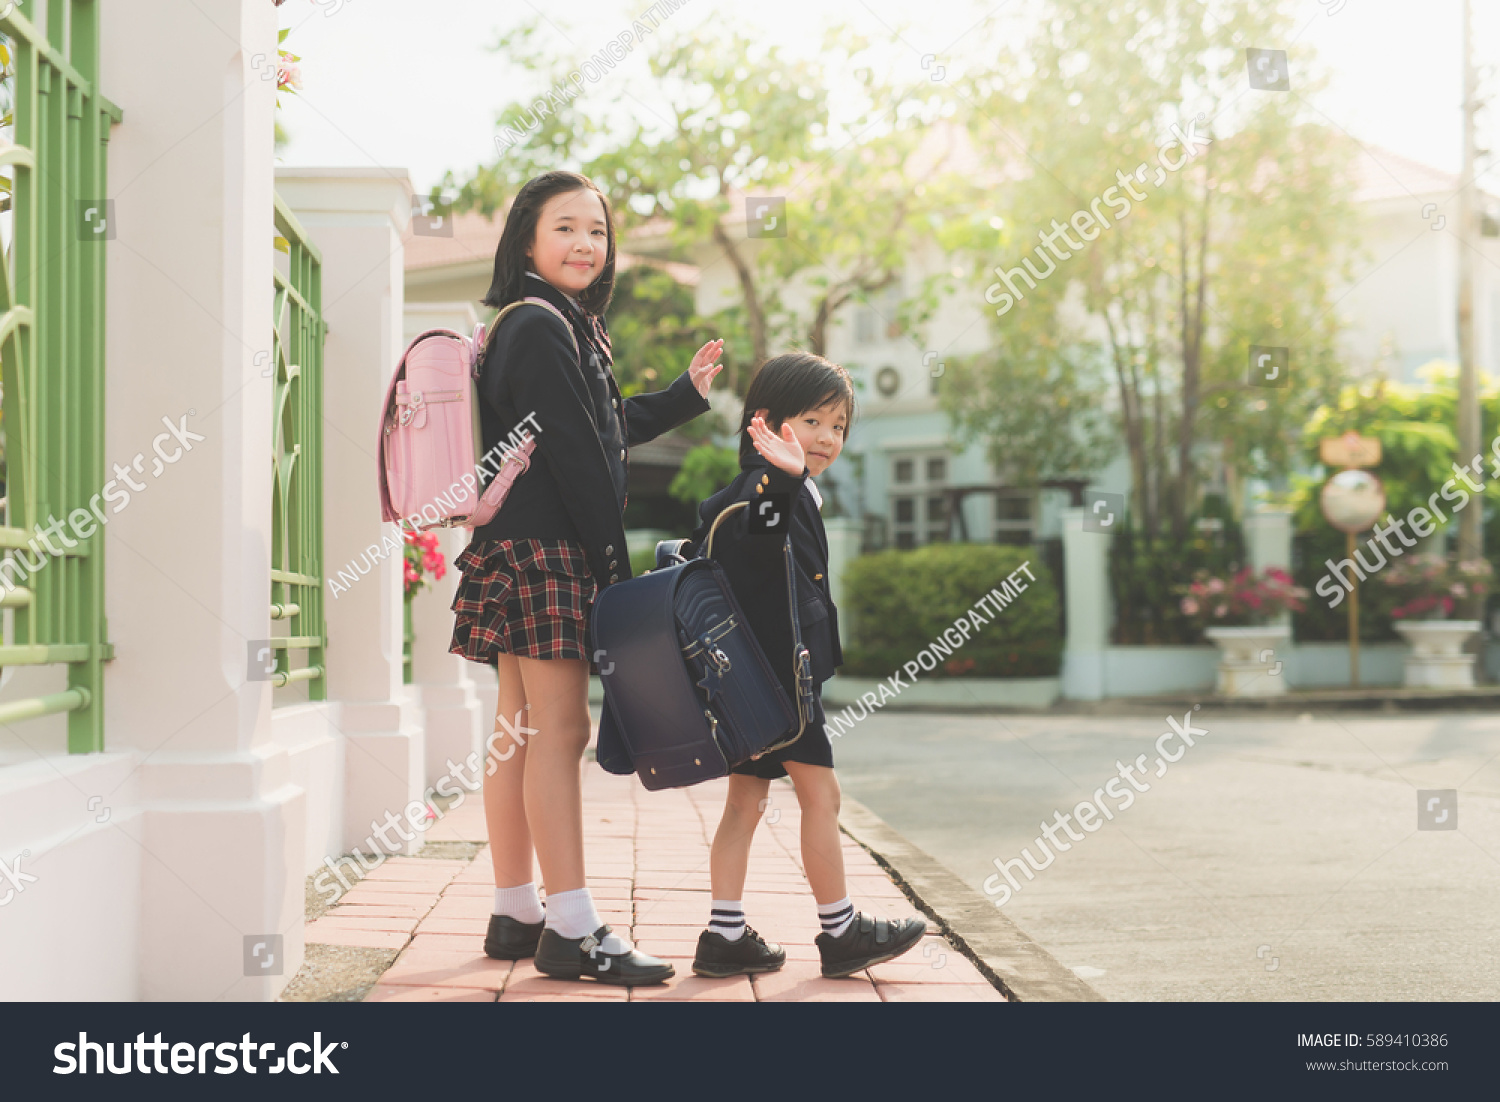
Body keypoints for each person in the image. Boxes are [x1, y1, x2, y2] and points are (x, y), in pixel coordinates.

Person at [448, 170, 723, 985]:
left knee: (517, 731)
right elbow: (577, 455)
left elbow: (596, 422)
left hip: (518, 548)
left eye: (597, 232)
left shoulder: (545, 322)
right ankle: (571, 926)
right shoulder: (539, 325)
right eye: (565, 227)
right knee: (557, 735)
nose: (585, 244)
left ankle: (515, 908)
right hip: (550, 555)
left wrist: (681, 397)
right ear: (527, 238)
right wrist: (613, 572)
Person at [683, 352, 927, 979]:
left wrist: (792, 483)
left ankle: (724, 935)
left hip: (746, 684)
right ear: (764, 421)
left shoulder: (767, 491)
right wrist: (785, 483)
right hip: (778, 684)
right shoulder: (764, 492)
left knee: (744, 804)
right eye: (812, 419)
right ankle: (841, 929)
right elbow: (764, 547)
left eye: (839, 426)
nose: (826, 438)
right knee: (823, 794)